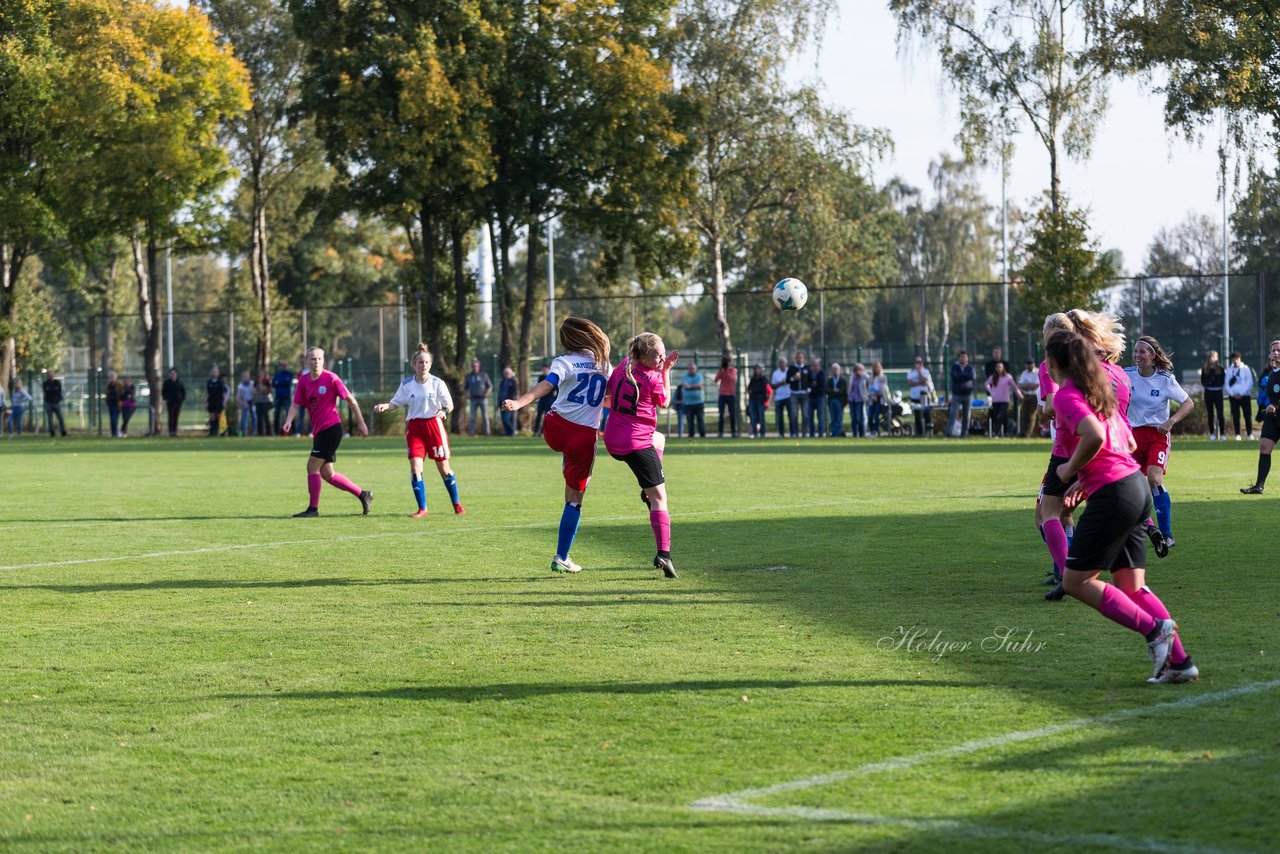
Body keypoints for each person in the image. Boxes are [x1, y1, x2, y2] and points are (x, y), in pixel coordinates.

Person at [1046, 328, 1198, 684]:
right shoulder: (1099, 394)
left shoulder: (1069, 396)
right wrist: (1086, 480)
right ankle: (1180, 662)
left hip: (1115, 494)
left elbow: (1096, 437)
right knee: (1132, 586)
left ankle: (1154, 630)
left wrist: (1071, 469)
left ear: (1053, 362)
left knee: (1075, 581)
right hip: (1133, 487)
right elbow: (1127, 442)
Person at [501, 317, 611, 572]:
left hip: (555, 426)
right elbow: (608, 399)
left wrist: (519, 403)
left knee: (570, 477)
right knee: (575, 498)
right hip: (582, 436)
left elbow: (546, 385)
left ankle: (568, 462)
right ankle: (562, 556)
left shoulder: (564, 361)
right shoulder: (605, 366)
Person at [603, 331, 681, 578]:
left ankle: (646, 488)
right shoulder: (653, 378)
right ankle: (664, 554)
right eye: (658, 356)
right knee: (660, 499)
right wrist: (666, 370)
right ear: (644, 355)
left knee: (660, 438)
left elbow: (609, 392)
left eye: (663, 355)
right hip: (635, 444)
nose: (661, 359)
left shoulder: (625, 364)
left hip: (613, 439)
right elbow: (665, 402)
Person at [373, 343, 465, 519]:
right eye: (420, 362)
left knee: (444, 469)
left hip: (434, 426)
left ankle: (456, 503)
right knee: (416, 467)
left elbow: (449, 404)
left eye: (426, 362)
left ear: (430, 364)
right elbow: (396, 402)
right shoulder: (407, 384)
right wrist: (386, 405)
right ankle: (422, 508)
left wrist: (444, 411)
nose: (423, 365)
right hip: (415, 428)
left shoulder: (437, 383)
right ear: (414, 365)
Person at [282, 347, 372, 517]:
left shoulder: (331, 378)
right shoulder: (303, 380)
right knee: (327, 474)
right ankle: (363, 494)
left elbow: (351, 400)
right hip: (319, 432)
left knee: (312, 466)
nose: (316, 362)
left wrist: (361, 422)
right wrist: (288, 421)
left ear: (323, 360)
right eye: (313, 359)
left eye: (319, 359)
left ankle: (313, 509)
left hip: (331, 429)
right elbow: (295, 404)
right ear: (307, 361)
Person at [1125, 335, 1194, 550]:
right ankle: (1145, 528)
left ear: (1153, 355)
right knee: (1130, 486)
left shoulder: (1165, 379)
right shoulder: (1126, 375)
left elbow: (1188, 403)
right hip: (1133, 437)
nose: (1137, 355)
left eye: (1142, 352)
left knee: (1154, 480)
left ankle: (1167, 533)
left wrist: (1171, 420)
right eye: (1135, 351)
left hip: (1157, 435)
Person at [1241, 339, 1280, 494]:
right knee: (1264, 446)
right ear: (1269, 354)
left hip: (1276, 411)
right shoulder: (1270, 373)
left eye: (1279, 350)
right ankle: (1259, 486)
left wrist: (1275, 406)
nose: (1276, 353)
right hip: (1273, 417)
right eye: (1274, 351)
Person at [985, 361, 1023, 438]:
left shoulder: (1008, 377)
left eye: (1000, 367)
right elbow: (986, 384)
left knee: (1000, 416)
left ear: (1003, 368)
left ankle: (996, 433)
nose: (999, 369)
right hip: (995, 400)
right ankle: (1006, 432)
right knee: (999, 417)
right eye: (997, 367)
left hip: (1004, 400)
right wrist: (991, 391)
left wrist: (1020, 396)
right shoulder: (993, 377)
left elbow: (1014, 387)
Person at [1226, 351, 1255, 440]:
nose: (1235, 361)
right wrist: (1232, 394)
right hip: (1233, 397)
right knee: (1235, 415)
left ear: (1240, 359)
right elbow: (1226, 383)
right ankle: (1237, 434)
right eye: (1233, 359)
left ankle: (1249, 434)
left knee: (1247, 415)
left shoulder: (1245, 369)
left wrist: (1241, 393)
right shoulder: (1229, 370)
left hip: (1244, 396)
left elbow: (1249, 383)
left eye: (1237, 359)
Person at [948, 351, 976, 437]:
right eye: (961, 357)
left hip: (968, 394)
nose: (963, 358)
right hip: (957, 394)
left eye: (964, 357)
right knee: (953, 413)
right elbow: (954, 377)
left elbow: (972, 376)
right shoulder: (955, 367)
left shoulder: (970, 368)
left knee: (966, 415)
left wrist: (961, 376)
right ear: (959, 358)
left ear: (967, 358)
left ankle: (964, 433)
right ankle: (949, 432)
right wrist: (964, 376)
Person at [1200, 350, 1226, 440]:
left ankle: (1222, 434)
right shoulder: (1205, 369)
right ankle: (1212, 434)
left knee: (1220, 414)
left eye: (1214, 357)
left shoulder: (1221, 369)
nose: (1212, 359)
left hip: (1218, 393)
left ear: (1217, 358)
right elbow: (1203, 381)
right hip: (1209, 393)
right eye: (1211, 357)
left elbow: (1223, 381)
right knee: (1210, 414)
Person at [464, 359, 493, 436]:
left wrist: (486, 394)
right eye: (473, 366)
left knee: (485, 417)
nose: (475, 368)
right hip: (473, 399)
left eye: (476, 366)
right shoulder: (469, 376)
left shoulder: (484, 375)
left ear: (479, 367)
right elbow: (465, 388)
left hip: (483, 399)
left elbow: (490, 386)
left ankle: (487, 433)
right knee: (472, 417)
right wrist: (467, 396)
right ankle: (472, 433)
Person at [906, 355, 932, 436]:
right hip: (914, 397)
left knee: (927, 414)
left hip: (924, 396)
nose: (918, 364)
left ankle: (928, 431)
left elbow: (924, 380)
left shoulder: (926, 371)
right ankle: (919, 432)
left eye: (920, 362)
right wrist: (919, 382)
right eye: (917, 362)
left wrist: (919, 372)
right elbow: (910, 383)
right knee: (917, 415)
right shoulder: (910, 373)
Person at [713, 356, 739, 438]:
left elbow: (732, 379)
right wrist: (721, 371)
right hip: (722, 395)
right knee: (721, 414)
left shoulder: (733, 370)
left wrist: (726, 371)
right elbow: (716, 380)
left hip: (731, 395)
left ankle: (733, 432)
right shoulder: (721, 371)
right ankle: (720, 432)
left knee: (732, 414)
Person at [681, 362, 705, 438]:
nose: (692, 370)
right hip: (688, 403)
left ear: (696, 369)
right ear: (688, 369)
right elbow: (685, 386)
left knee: (700, 419)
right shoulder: (684, 377)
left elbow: (700, 386)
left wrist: (690, 387)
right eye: (690, 368)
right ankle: (691, 435)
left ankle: (702, 435)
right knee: (690, 420)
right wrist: (695, 386)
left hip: (699, 402)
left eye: (693, 368)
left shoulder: (699, 376)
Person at [770, 357, 793, 438]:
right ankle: (781, 433)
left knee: (791, 415)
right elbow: (773, 386)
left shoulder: (790, 371)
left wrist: (787, 381)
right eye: (780, 363)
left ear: (786, 363)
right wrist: (781, 383)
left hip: (789, 396)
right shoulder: (775, 373)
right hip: (779, 397)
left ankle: (793, 433)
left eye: (783, 362)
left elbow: (793, 381)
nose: (782, 364)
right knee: (780, 417)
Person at [1017, 359, 1040, 438]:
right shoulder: (1024, 373)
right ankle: (1022, 432)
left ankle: (1028, 433)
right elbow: (1020, 385)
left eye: (1031, 364)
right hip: (1026, 395)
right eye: (1028, 364)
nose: (1029, 365)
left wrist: (1026, 386)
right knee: (1024, 415)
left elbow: (1036, 386)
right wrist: (1029, 386)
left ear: (1033, 364)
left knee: (1031, 415)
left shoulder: (1037, 372)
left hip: (1035, 396)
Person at [746, 364, 770, 438]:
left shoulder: (764, 379)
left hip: (761, 400)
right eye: (756, 369)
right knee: (753, 417)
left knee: (761, 417)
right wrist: (750, 394)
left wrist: (767, 401)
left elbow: (769, 391)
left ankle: (762, 433)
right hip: (753, 399)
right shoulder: (753, 379)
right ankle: (755, 433)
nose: (757, 371)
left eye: (758, 369)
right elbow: (748, 388)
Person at [272, 360, 295, 435]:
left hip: (287, 398)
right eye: (282, 365)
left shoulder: (290, 374)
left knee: (289, 415)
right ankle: (276, 432)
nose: (283, 366)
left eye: (285, 365)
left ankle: (293, 431)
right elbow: (274, 384)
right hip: (278, 398)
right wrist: (282, 382)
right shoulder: (277, 375)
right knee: (276, 415)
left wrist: (280, 383)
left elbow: (288, 383)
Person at [790, 351, 810, 435]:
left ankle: (805, 432)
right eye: (798, 357)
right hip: (794, 394)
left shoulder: (807, 368)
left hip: (804, 394)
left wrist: (809, 389)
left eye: (801, 357)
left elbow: (811, 380)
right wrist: (793, 378)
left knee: (805, 414)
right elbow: (788, 380)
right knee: (794, 414)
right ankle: (795, 432)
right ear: (795, 359)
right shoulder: (791, 368)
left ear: (803, 359)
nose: (799, 359)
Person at [161, 367, 185, 437]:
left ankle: (175, 430)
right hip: (170, 402)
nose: (172, 375)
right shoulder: (167, 383)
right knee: (171, 416)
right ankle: (171, 431)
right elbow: (163, 392)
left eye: (174, 373)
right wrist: (166, 398)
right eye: (171, 373)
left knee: (176, 416)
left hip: (178, 402)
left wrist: (181, 399)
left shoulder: (180, 382)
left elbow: (183, 391)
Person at [847, 363, 869, 438]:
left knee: (859, 417)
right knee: (853, 417)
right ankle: (855, 433)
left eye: (860, 369)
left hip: (860, 399)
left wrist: (867, 396)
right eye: (856, 369)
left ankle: (862, 433)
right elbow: (850, 387)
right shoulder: (852, 377)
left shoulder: (865, 377)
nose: (858, 371)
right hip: (852, 399)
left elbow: (869, 385)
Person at [806, 357, 826, 437]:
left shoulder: (822, 374)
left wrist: (815, 384)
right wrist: (813, 384)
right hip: (811, 397)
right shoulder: (809, 374)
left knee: (820, 417)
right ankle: (812, 434)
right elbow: (808, 384)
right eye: (813, 365)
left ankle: (821, 434)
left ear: (819, 366)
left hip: (820, 397)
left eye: (816, 365)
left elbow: (822, 384)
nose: (815, 367)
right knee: (810, 417)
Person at [206, 366, 229, 437]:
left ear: (218, 373)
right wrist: (206, 402)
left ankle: (220, 431)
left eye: (216, 372)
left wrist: (224, 402)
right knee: (211, 416)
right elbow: (207, 393)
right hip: (211, 401)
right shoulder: (209, 382)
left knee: (218, 416)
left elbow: (223, 393)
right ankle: (212, 431)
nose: (214, 373)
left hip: (218, 401)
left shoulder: (220, 382)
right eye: (213, 372)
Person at [42, 372, 67, 437]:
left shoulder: (57, 383)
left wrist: (51, 390)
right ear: (47, 376)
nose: (50, 376)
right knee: (50, 418)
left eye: (51, 375)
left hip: (56, 402)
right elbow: (47, 391)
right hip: (48, 403)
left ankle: (63, 431)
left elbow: (58, 391)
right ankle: (52, 432)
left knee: (60, 418)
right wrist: (54, 390)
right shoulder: (45, 383)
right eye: (49, 375)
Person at [826, 363, 848, 437]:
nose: (835, 371)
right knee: (833, 418)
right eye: (834, 369)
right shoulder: (829, 380)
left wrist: (834, 391)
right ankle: (834, 433)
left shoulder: (843, 381)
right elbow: (827, 390)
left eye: (837, 369)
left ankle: (838, 433)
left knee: (839, 418)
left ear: (839, 370)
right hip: (832, 400)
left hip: (839, 401)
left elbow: (842, 391)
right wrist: (834, 391)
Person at [867, 362, 888, 437]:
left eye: (877, 367)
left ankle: (875, 431)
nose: (876, 369)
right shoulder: (870, 378)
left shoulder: (883, 378)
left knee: (876, 416)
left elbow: (883, 389)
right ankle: (872, 430)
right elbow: (868, 389)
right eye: (874, 367)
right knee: (870, 416)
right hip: (871, 400)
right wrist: (871, 395)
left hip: (880, 399)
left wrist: (876, 395)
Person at [497, 367, 519, 436]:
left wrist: (515, 401)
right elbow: (500, 392)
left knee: (506, 419)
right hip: (502, 402)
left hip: (509, 403)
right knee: (503, 419)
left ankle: (513, 431)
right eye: (505, 373)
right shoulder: (502, 382)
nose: (506, 374)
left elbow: (516, 392)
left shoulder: (513, 382)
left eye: (508, 373)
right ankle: (508, 433)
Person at [532, 363, 553, 436]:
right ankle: (535, 431)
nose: (544, 370)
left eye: (546, 369)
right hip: (542, 399)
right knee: (538, 416)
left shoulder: (551, 378)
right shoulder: (541, 377)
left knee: (546, 417)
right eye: (543, 369)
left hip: (549, 399)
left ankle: (542, 432)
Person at [236, 370, 255, 437]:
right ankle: (245, 432)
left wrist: (253, 401)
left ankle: (254, 432)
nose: (246, 378)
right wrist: (243, 403)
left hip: (252, 401)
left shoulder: (252, 383)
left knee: (254, 417)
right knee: (244, 417)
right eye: (245, 377)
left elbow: (254, 394)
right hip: (244, 402)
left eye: (247, 376)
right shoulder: (240, 386)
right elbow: (239, 397)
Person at [105, 369, 123, 438]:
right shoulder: (109, 385)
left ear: (116, 377)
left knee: (114, 419)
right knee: (112, 419)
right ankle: (113, 433)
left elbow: (121, 394)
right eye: (111, 376)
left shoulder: (119, 385)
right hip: (110, 404)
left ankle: (116, 432)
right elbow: (107, 394)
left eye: (113, 376)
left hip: (117, 404)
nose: (112, 377)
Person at [253, 372, 273, 436]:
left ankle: (268, 432)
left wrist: (262, 390)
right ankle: (260, 433)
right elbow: (254, 392)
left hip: (265, 401)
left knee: (266, 416)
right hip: (258, 401)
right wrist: (261, 390)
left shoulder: (267, 381)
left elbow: (269, 390)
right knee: (259, 417)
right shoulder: (256, 382)